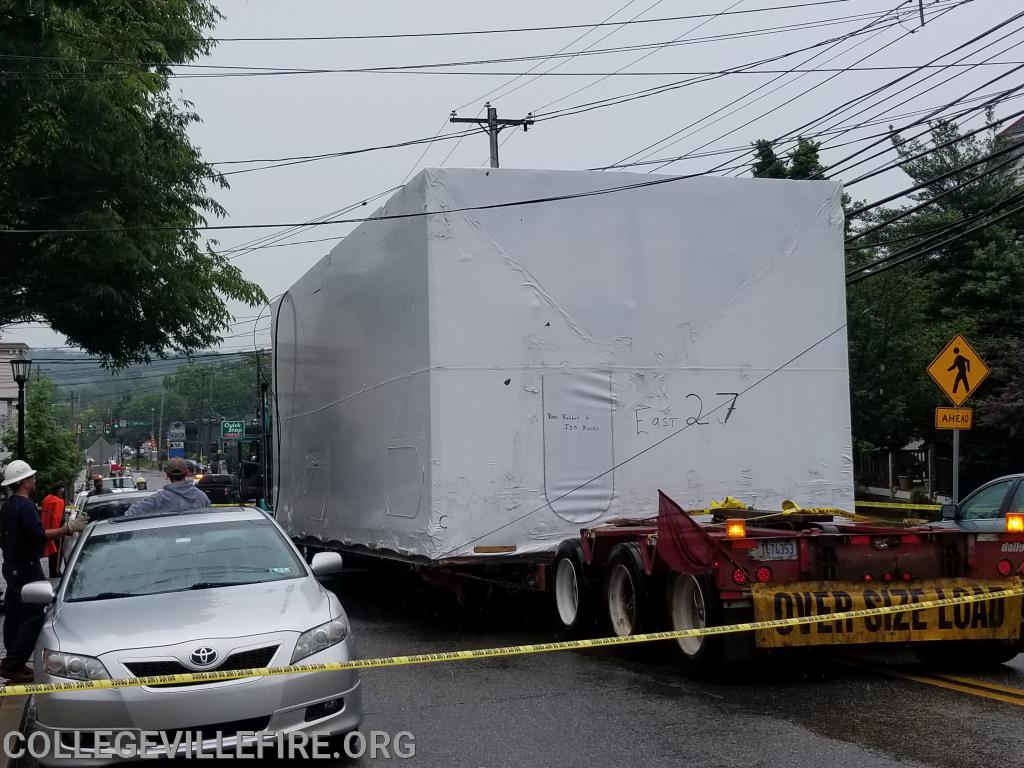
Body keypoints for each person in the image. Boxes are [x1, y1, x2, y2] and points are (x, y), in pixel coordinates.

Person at [0, 461, 87, 682]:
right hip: (26, 568)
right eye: (31, 478)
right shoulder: (25, 506)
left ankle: (13, 661)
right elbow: (38, 535)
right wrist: (68, 529)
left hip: (12, 567)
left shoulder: (8, 505)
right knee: (34, 613)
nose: (34, 481)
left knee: (14, 613)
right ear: (23, 482)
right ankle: (13, 664)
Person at [125, 458, 211, 517]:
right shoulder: (202, 497)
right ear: (186, 473)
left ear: (167, 475)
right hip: (199, 543)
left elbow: (130, 513)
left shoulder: (157, 499)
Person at [40, 484, 66, 578]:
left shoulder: (48, 498)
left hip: (47, 529)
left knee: (52, 552)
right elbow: (56, 517)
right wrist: (58, 531)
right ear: (60, 489)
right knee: (58, 553)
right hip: (55, 530)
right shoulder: (58, 501)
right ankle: (56, 571)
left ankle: (53, 571)